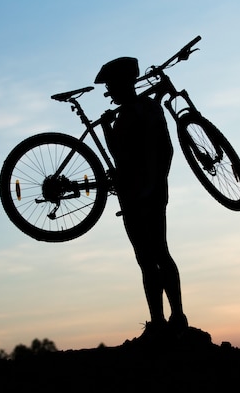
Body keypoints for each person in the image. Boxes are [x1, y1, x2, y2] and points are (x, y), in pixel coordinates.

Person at [95, 57, 188, 341]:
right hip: (133, 194)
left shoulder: (144, 109)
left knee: (157, 253)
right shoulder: (131, 113)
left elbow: (163, 149)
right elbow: (122, 155)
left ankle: (175, 317)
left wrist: (156, 183)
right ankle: (161, 320)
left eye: (112, 85)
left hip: (146, 193)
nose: (109, 91)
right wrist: (107, 128)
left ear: (125, 84)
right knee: (146, 257)